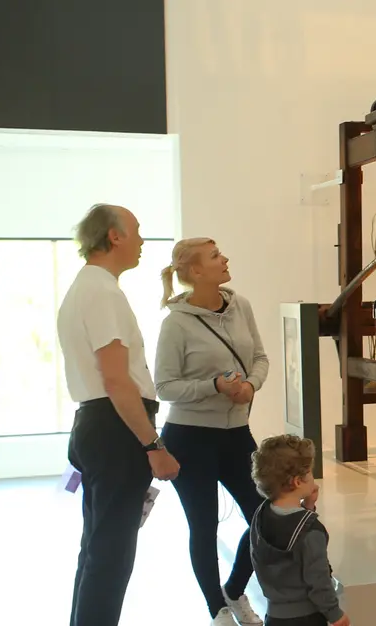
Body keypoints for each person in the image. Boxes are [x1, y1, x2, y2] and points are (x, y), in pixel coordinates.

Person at [58, 204, 181, 626]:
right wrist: (154, 444)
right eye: (138, 231)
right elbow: (116, 381)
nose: (143, 241)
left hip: (98, 425)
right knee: (111, 555)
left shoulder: (86, 288)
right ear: (114, 236)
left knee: (98, 549)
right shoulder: (102, 292)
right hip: (116, 429)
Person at [154, 238, 270, 626]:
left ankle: (234, 592)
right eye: (216, 256)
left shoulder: (242, 307)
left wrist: (251, 386)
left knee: (263, 515)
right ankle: (216, 610)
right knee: (202, 525)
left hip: (237, 434)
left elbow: (259, 358)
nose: (225, 259)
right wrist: (213, 387)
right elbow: (164, 386)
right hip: (189, 437)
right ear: (196, 272)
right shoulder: (175, 324)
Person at [250, 436, 348, 626]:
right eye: (310, 472)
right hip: (307, 618)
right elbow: (318, 581)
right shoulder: (312, 531)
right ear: (297, 482)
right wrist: (335, 614)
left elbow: (284, 535)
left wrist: (307, 506)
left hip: (274, 616)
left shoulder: (260, 515)